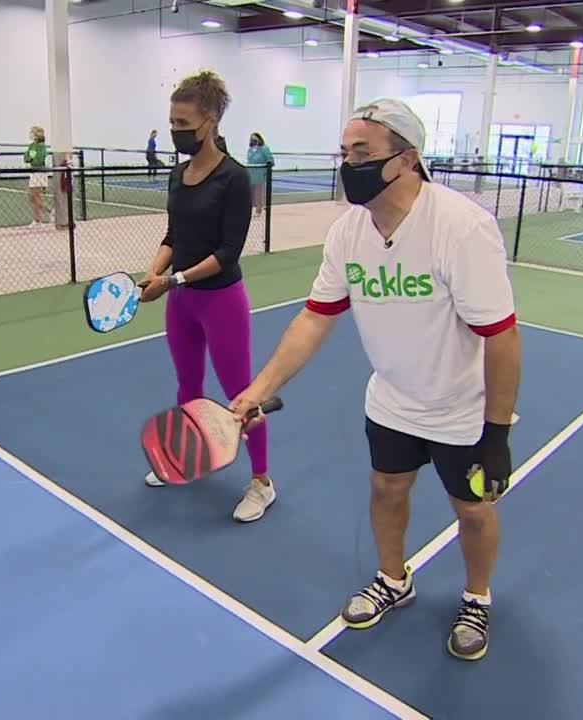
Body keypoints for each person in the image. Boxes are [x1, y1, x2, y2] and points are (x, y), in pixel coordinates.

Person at [228, 98, 521, 660]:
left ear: (406, 160)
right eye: (344, 152)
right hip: (391, 399)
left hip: (462, 407)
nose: (348, 163)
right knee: (386, 490)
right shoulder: (347, 234)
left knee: (473, 511)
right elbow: (316, 316)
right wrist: (258, 389)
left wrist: (498, 432)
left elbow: (501, 337)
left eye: (362, 152)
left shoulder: (461, 229)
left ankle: (476, 597)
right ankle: (394, 579)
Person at [136, 70, 274, 523]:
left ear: (211, 121)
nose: (177, 132)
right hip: (183, 304)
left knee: (241, 394)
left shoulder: (233, 178)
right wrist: (155, 268)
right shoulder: (177, 175)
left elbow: (227, 253)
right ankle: (186, 458)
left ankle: (261, 483)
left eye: (184, 124)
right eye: (172, 123)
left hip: (220, 301)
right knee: (187, 386)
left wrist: (173, 281)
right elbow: (174, 234)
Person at [24, 125, 52, 226]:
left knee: (35, 197)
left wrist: (32, 157)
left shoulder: (41, 146)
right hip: (33, 172)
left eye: (32, 132)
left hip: (39, 173)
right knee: (32, 197)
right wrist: (31, 157)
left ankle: (49, 212)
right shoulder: (33, 146)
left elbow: (38, 159)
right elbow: (27, 158)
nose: (31, 134)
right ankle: (37, 219)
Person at [246, 132, 274, 216]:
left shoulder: (264, 148)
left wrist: (267, 169)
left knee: (259, 193)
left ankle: (259, 210)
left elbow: (270, 160)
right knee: (251, 194)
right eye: (252, 139)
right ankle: (250, 209)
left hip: (260, 174)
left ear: (259, 139)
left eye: (255, 139)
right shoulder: (250, 149)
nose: (253, 141)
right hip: (251, 173)